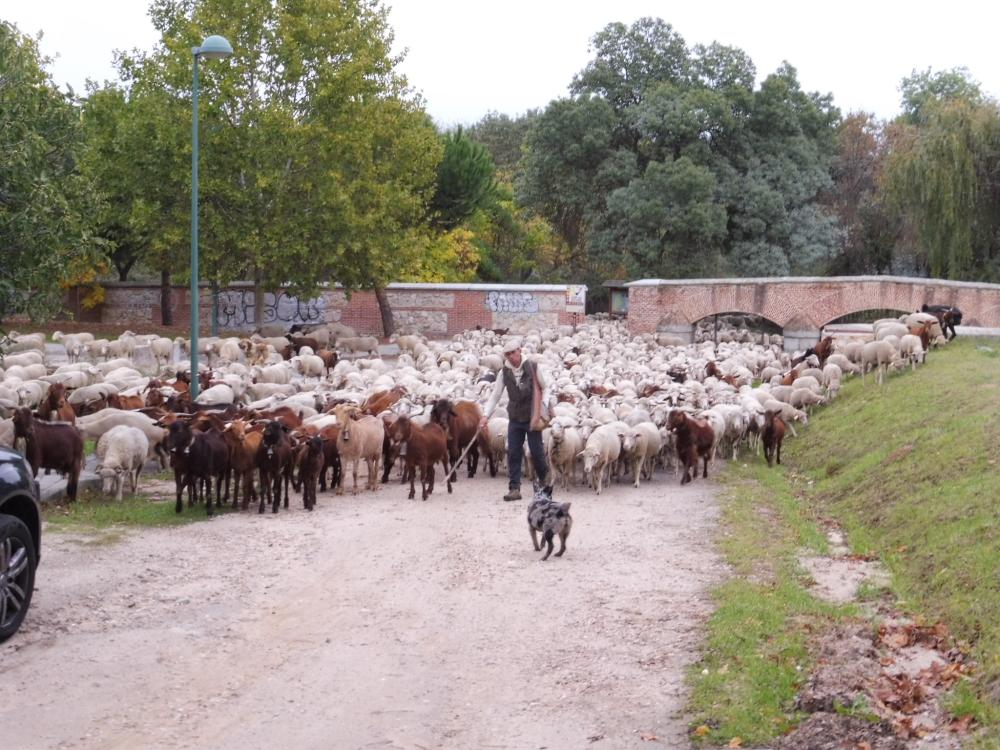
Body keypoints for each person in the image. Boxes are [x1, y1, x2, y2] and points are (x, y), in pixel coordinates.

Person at [479, 338, 551, 501]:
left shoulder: (533, 367)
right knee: (513, 451)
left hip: (532, 416)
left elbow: (545, 387)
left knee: (536, 451)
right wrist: (485, 415)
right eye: (508, 354)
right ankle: (514, 488)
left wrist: (543, 407)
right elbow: (495, 395)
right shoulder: (504, 372)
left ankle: (544, 482)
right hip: (515, 417)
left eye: (513, 352)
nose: (511, 356)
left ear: (520, 350)